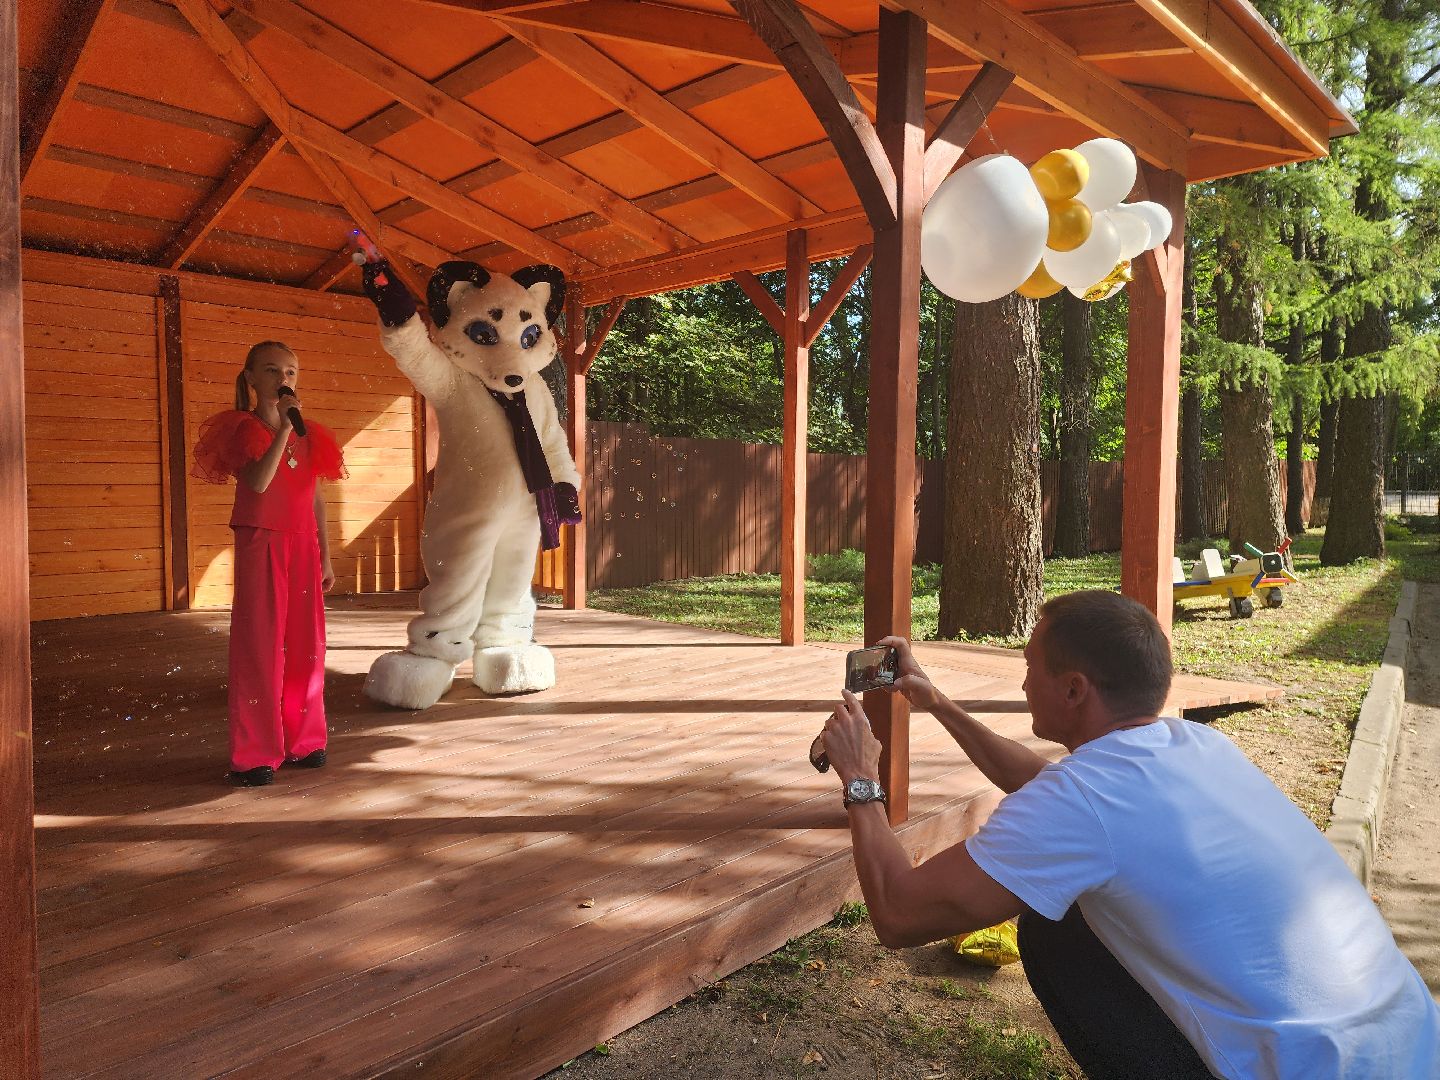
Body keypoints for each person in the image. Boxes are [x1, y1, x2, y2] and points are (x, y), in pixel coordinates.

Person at [821, 589, 1440, 1079]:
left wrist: (859, 778)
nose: (1022, 682)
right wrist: (937, 702)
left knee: (1051, 928)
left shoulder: (1084, 801)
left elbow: (899, 915)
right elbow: (1045, 785)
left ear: (1073, 689)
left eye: (1030, 667)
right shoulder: (1196, 744)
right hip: (1409, 1046)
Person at [193, 341, 345, 787]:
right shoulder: (243, 427)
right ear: (251, 378)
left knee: (307, 642)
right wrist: (282, 429)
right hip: (262, 540)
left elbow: (314, 495)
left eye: (292, 372)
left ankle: (306, 740)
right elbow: (259, 482)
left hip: (302, 545)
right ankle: (256, 752)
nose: (284, 379)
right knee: (259, 644)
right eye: (273, 370)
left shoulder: (311, 431)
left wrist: (325, 553)